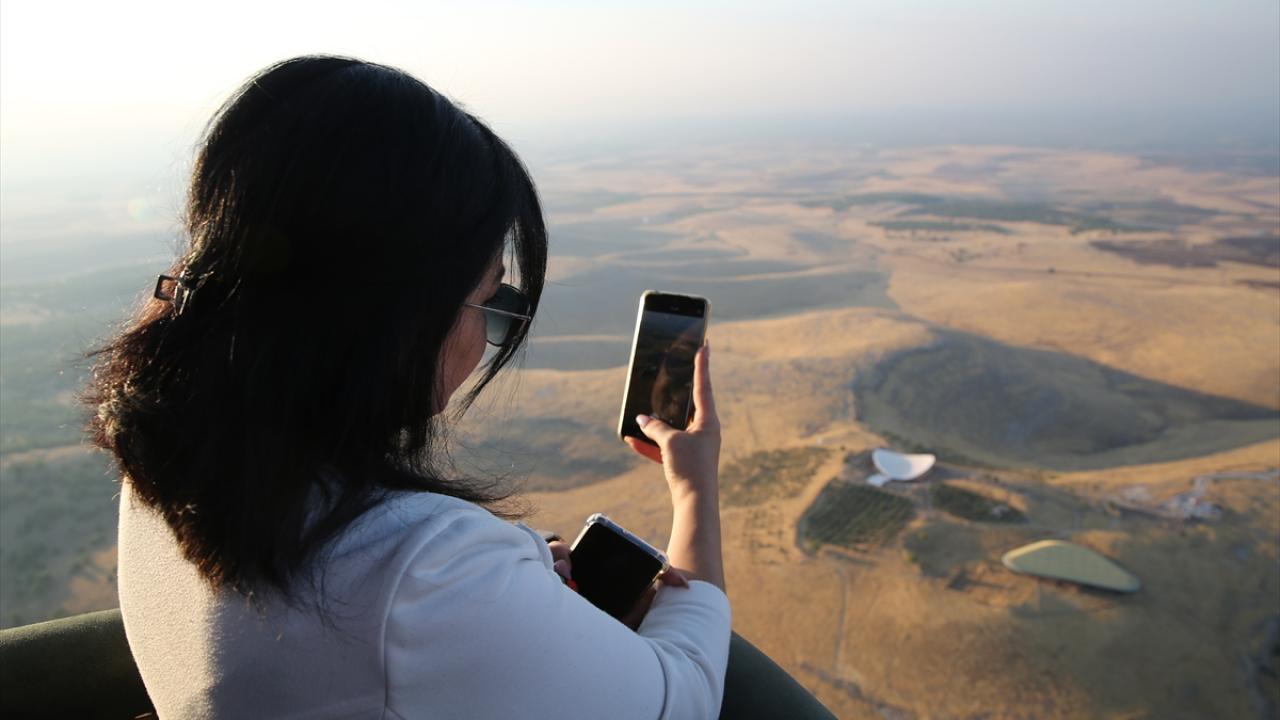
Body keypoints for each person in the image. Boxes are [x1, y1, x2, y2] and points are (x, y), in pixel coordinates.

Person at [86, 55, 834, 719]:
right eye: (487, 301)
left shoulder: (172, 448)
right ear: (398, 315)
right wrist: (695, 485)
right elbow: (687, 695)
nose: (485, 337)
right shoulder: (423, 573)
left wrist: (511, 593)